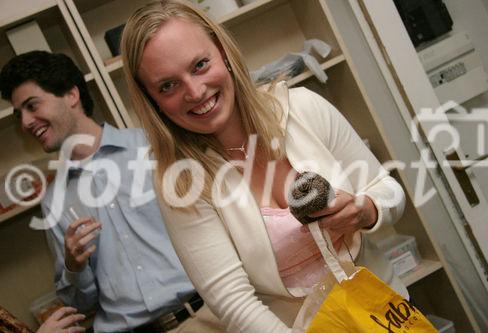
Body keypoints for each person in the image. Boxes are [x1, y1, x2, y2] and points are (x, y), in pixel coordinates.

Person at [121, 0, 408, 332]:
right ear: (152, 100)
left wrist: (367, 210)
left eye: (200, 64)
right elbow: (235, 304)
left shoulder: (303, 108)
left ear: (223, 52)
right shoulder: (181, 183)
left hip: (387, 315)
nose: (195, 91)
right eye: (168, 85)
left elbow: (387, 191)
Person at [0, 51, 223, 333]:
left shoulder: (154, 147)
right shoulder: (53, 201)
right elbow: (80, 305)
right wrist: (73, 266)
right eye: (19, 114)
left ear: (71, 95)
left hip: (207, 318)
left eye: (32, 106)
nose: (25, 123)